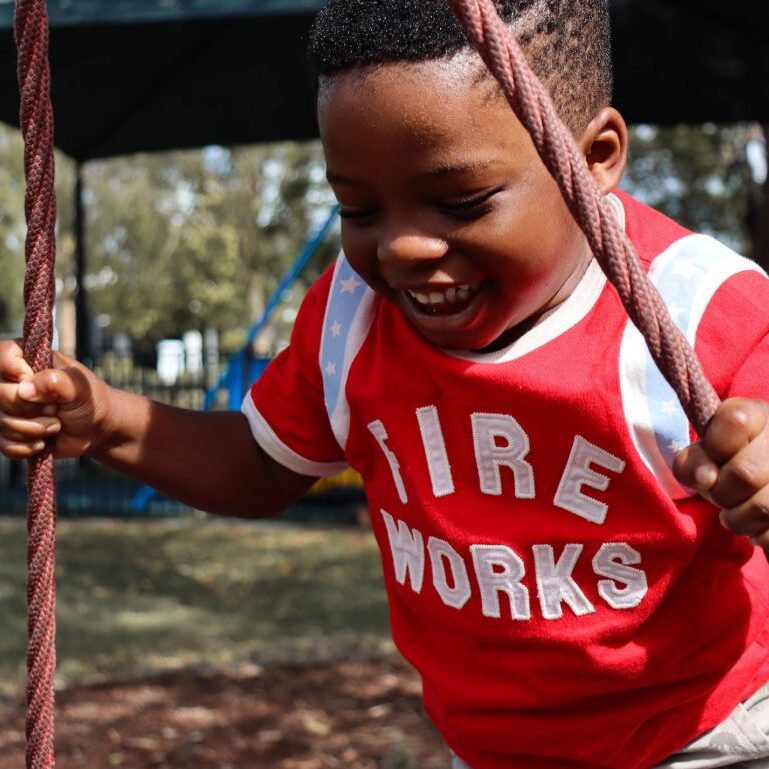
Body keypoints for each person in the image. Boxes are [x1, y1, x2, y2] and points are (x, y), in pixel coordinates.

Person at [2, 1, 769, 766]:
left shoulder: (700, 313)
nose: (401, 246)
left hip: (705, 730)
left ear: (593, 156)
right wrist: (104, 419)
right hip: (497, 746)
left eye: (461, 201)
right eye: (358, 208)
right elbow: (260, 465)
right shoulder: (352, 314)